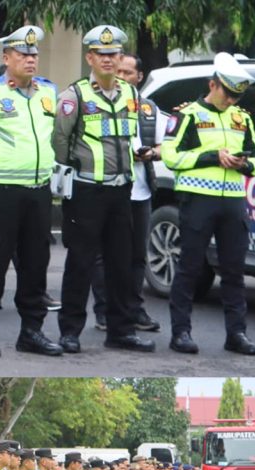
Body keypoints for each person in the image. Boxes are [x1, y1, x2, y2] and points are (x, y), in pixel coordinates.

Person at [0, 26, 62, 359]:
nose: (30, 59)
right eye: (22, 54)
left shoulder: (49, 92)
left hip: (38, 191)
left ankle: (31, 332)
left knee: (35, 264)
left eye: (34, 54)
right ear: (7, 58)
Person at [52, 26, 155, 355]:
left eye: (114, 54)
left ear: (121, 57)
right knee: (80, 263)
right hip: (87, 191)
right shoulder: (75, 96)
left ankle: (121, 331)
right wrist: (73, 173)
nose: (108, 60)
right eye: (102, 54)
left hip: (121, 191)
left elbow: (131, 137)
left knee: (121, 264)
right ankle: (70, 332)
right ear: (90, 58)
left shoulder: (131, 94)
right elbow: (60, 142)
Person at [162, 52, 255, 355]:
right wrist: (211, 157)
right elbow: (170, 155)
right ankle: (180, 332)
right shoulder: (188, 115)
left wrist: (245, 164)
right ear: (213, 84)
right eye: (228, 94)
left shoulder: (242, 118)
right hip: (198, 200)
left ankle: (236, 334)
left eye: (236, 96)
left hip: (233, 201)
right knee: (190, 268)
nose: (231, 101)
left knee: (234, 270)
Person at [87, 53, 163, 333]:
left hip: (139, 192)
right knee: (102, 255)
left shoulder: (150, 109)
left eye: (127, 73)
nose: (120, 77)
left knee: (136, 255)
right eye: (117, 71)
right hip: (106, 189)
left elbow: (164, 145)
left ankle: (134, 309)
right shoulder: (95, 103)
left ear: (139, 77)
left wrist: (150, 153)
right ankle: (104, 310)